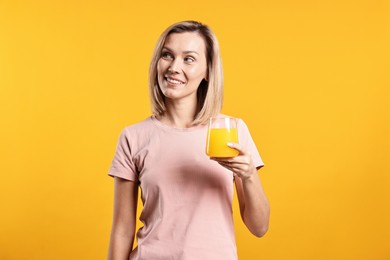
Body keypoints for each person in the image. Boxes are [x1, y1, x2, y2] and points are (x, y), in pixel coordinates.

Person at [107, 20, 270, 260]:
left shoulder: (231, 130)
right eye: (167, 55)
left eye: (189, 59)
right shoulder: (133, 137)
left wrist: (249, 176)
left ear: (208, 71)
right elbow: (122, 230)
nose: (174, 67)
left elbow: (259, 227)